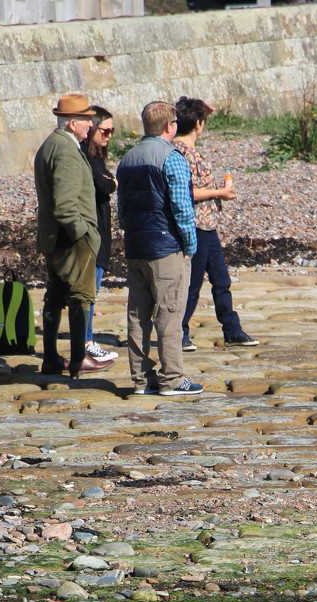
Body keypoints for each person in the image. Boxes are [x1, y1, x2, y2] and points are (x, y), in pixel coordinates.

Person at [116, 100, 203, 396]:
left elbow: (122, 209)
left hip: (136, 244)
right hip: (165, 247)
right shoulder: (172, 157)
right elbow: (182, 208)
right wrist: (190, 245)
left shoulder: (127, 158)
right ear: (170, 126)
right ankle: (172, 379)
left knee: (138, 316)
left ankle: (141, 380)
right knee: (169, 313)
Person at [33, 93, 115, 378]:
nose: (91, 123)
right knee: (81, 297)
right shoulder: (66, 150)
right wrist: (86, 236)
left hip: (54, 237)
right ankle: (79, 359)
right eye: (86, 119)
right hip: (71, 241)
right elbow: (65, 206)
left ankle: (53, 358)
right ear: (72, 123)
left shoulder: (51, 145)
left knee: (55, 296)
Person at [174, 96, 258, 351]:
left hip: (208, 226)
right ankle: (179, 332)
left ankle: (232, 330)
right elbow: (184, 192)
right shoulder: (180, 153)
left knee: (221, 280)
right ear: (198, 124)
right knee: (192, 284)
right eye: (204, 120)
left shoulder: (190, 149)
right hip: (194, 226)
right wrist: (218, 193)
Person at [81, 105, 120, 365]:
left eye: (112, 131)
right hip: (91, 234)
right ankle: (87, 343)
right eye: (105, 131)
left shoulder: (96, 155)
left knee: (91, 292)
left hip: (100, 232)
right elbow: (103, 183)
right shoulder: (85, 155)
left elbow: (107, 180)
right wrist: (112, 182)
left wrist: (110, 181)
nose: (108, 136)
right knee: (88, 293)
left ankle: (86, 342)